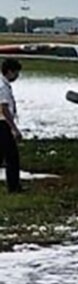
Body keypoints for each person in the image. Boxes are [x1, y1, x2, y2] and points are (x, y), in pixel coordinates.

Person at [0, 58, 23, 193]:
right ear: (9, 71)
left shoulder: (3, 84)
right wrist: (14, 128)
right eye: (16, 73)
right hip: (3, 124)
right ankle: (13, 187)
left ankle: (14, 186)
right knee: (12, 157)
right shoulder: (3, 87)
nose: (17, 76)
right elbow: (4, 108)